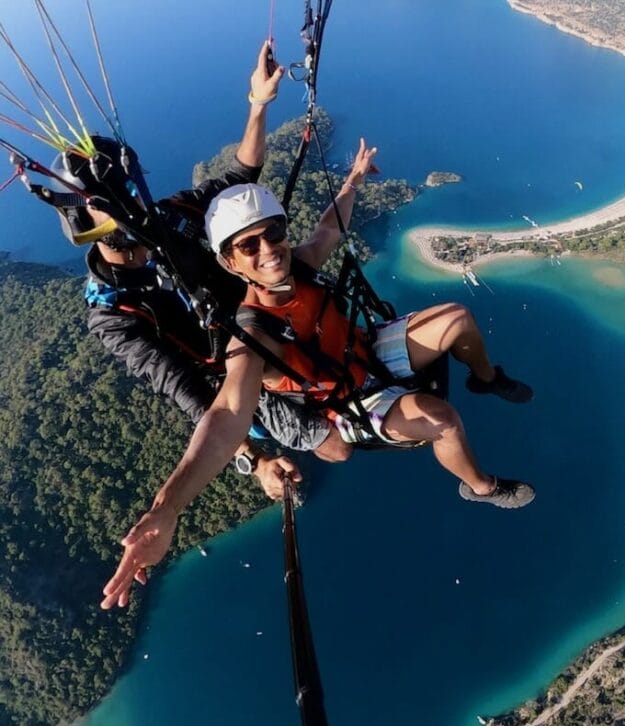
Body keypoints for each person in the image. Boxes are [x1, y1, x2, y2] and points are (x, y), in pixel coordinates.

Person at [100, 142, 535, 609]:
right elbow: (226, 414)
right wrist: (167, 509)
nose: (269, 250)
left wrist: (353, 180)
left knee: (458, 318)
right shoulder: (251, 336)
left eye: (274, 233)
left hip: (363, 351)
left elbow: (331, 226)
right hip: (346, 400)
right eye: (249, 245)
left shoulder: (299, 270)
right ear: (230, 262)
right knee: (442, 419)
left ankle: (485, 378)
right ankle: (481, 487)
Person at [53, 41, 327, 500]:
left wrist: (258, 104)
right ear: (83, 223)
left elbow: (240, 176)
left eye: (129, 198)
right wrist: (254, 457)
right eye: (113, 207)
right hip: (242, 369)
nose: (131, 211)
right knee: (332, 442)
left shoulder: (168, 217)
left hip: (272, 308)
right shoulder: (114, 314)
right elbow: (184, 388)